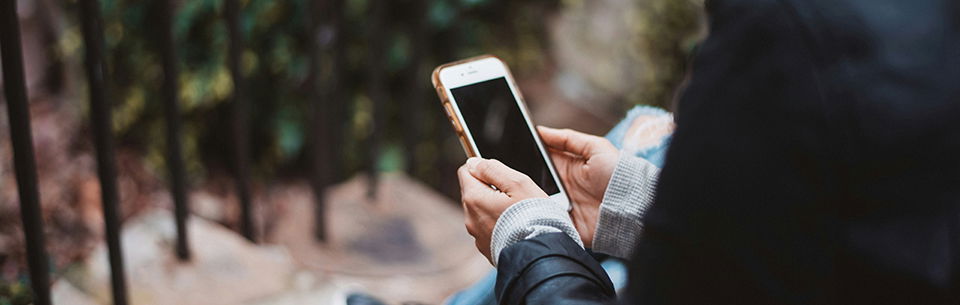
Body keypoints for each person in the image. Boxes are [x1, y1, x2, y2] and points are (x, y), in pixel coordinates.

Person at [457, 0, 960, 304]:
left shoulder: (788, 31)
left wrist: (528, 238)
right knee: (640, 154)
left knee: (643, 135)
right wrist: (636, 207)